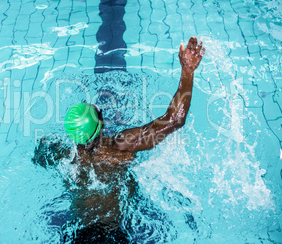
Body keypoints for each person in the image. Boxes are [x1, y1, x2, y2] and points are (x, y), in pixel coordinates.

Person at [33, 37, 205, 243]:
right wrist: (187, 70)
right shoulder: (120, 146)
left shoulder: (64, 156)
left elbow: (39, 157)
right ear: (102, 124)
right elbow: (174, 120)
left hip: (80, 234)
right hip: (114, 233)